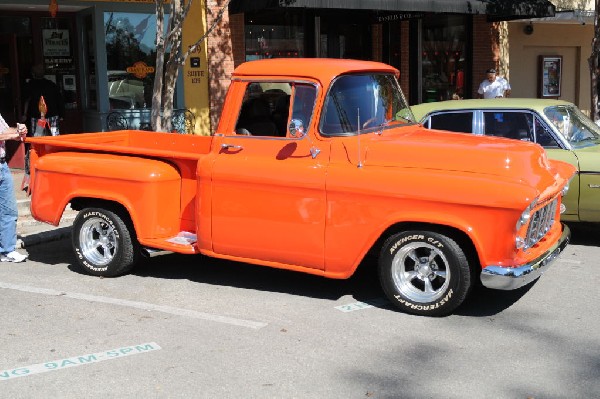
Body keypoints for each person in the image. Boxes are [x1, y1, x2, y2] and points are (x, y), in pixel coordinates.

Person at [21, 64, 64, 190]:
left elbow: (27, 101)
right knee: (56, 141)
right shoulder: (51, 85)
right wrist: (61, 115)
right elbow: (59, 99)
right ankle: (57, 165)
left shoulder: (30, 85)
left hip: (38, 118)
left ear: (33, 74)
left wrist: (24, 115)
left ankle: (36, 165)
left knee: (37, 142)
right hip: (53, 116)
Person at [0, 112, 29, 262]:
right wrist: (14, 135)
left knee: (9, 210)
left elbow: (5, 131)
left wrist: (19, 130)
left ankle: (7, 250)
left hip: (2, 165)